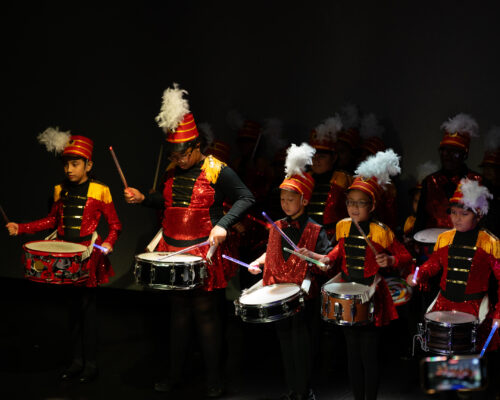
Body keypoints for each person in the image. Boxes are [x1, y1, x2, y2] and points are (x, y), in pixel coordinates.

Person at [124, 83, 254, 397]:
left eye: (183, 154)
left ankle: (214, 379)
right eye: (174, 154)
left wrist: (223, 225)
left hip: (202, 251)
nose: (179, 159)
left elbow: (246, 197)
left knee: (206, 314)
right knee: (179, 315)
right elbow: (170, 203)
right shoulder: (172, 170)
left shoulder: (217, 169)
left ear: (197, 146)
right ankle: (175, 375)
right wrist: (144, 198)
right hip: (173, 249)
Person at [6, 128, 121, 383]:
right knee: (72, 311)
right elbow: (51, 221)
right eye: (66, 164)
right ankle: (76, 361)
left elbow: (115, 225)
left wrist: (109, 243)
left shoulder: (100, 190)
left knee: (88, 311)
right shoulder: (60, 189)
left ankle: (91, 364)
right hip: (64, 257)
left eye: (75, 164)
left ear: (88, 165)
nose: (69, 169)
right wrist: (21, 227)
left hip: (87, 257)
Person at [303, 149, 414, 400]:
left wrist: (391, 259)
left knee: (369, 353)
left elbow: (406, 257)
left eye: (360, 203)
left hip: (370, 294)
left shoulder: (381, 231)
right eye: (350, 202)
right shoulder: (343, 226)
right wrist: (319, 256)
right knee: (352, 352)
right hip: (347, 291)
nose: (353, 207)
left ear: (372, 205)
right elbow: (337, 252)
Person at [248, 142, 332, 400]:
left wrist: (316, 260)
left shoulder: (316, 229)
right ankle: (292, 390)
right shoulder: (277, 226)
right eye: (282, 199)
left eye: (291, 199)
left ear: (304, 200)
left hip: (304, 296)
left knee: (303, 345)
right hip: (279, 293)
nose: (285, 204)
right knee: (285, 343)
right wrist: (258, 262)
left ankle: (305, 390)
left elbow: (327, 261)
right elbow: (272, 252)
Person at [407, 178, 500, 352]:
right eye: (453, 213)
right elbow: (434, 263)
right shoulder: (445, 238)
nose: (457, 219)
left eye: (464, 214)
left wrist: (498, 313)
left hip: (474, 307)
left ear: (479, 215)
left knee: (471, 356)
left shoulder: (490, 243)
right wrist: (419, 274)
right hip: (444, 304)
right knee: (439, 352)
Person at [414, 113, 482, 232]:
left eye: (455, 152)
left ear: (465, 155)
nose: (448, 156)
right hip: (433, 243)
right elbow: (420, 221)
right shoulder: (429, 182)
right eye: (444, 151)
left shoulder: (478, 182)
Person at [308, 115, 351, 239]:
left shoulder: (342, 180)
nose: (316, 160)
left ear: (334, 158)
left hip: (334, 240)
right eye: (313, 156)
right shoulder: (305, 179)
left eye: (322, 156)